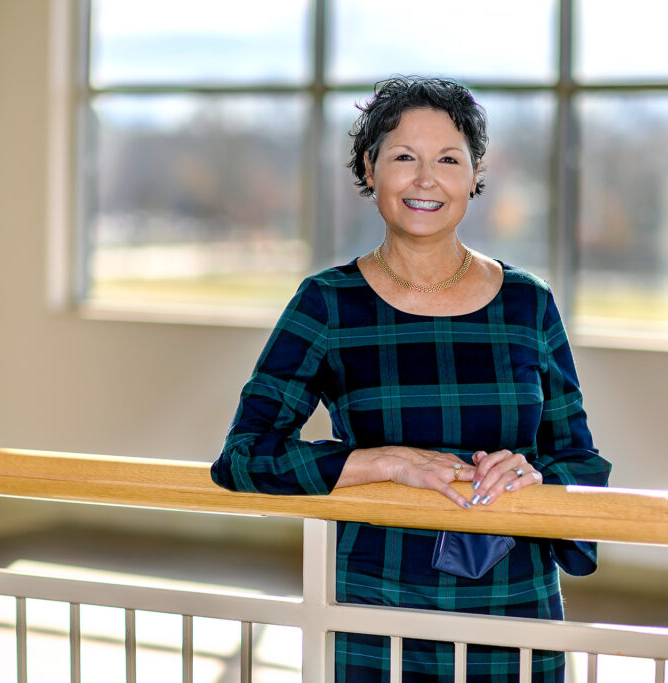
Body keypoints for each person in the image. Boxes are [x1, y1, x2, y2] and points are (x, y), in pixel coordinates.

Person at [211, 75, 611, 682]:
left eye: (448, 159)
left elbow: (580, 461)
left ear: (475, 176)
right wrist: (384, 462)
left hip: (516, 614)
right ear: (369, 171)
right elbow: (244, 456)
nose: (427, 179)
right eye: (404, 157)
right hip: (377, 612)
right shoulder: (327, 303)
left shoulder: (529, 303)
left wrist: (537, 474)